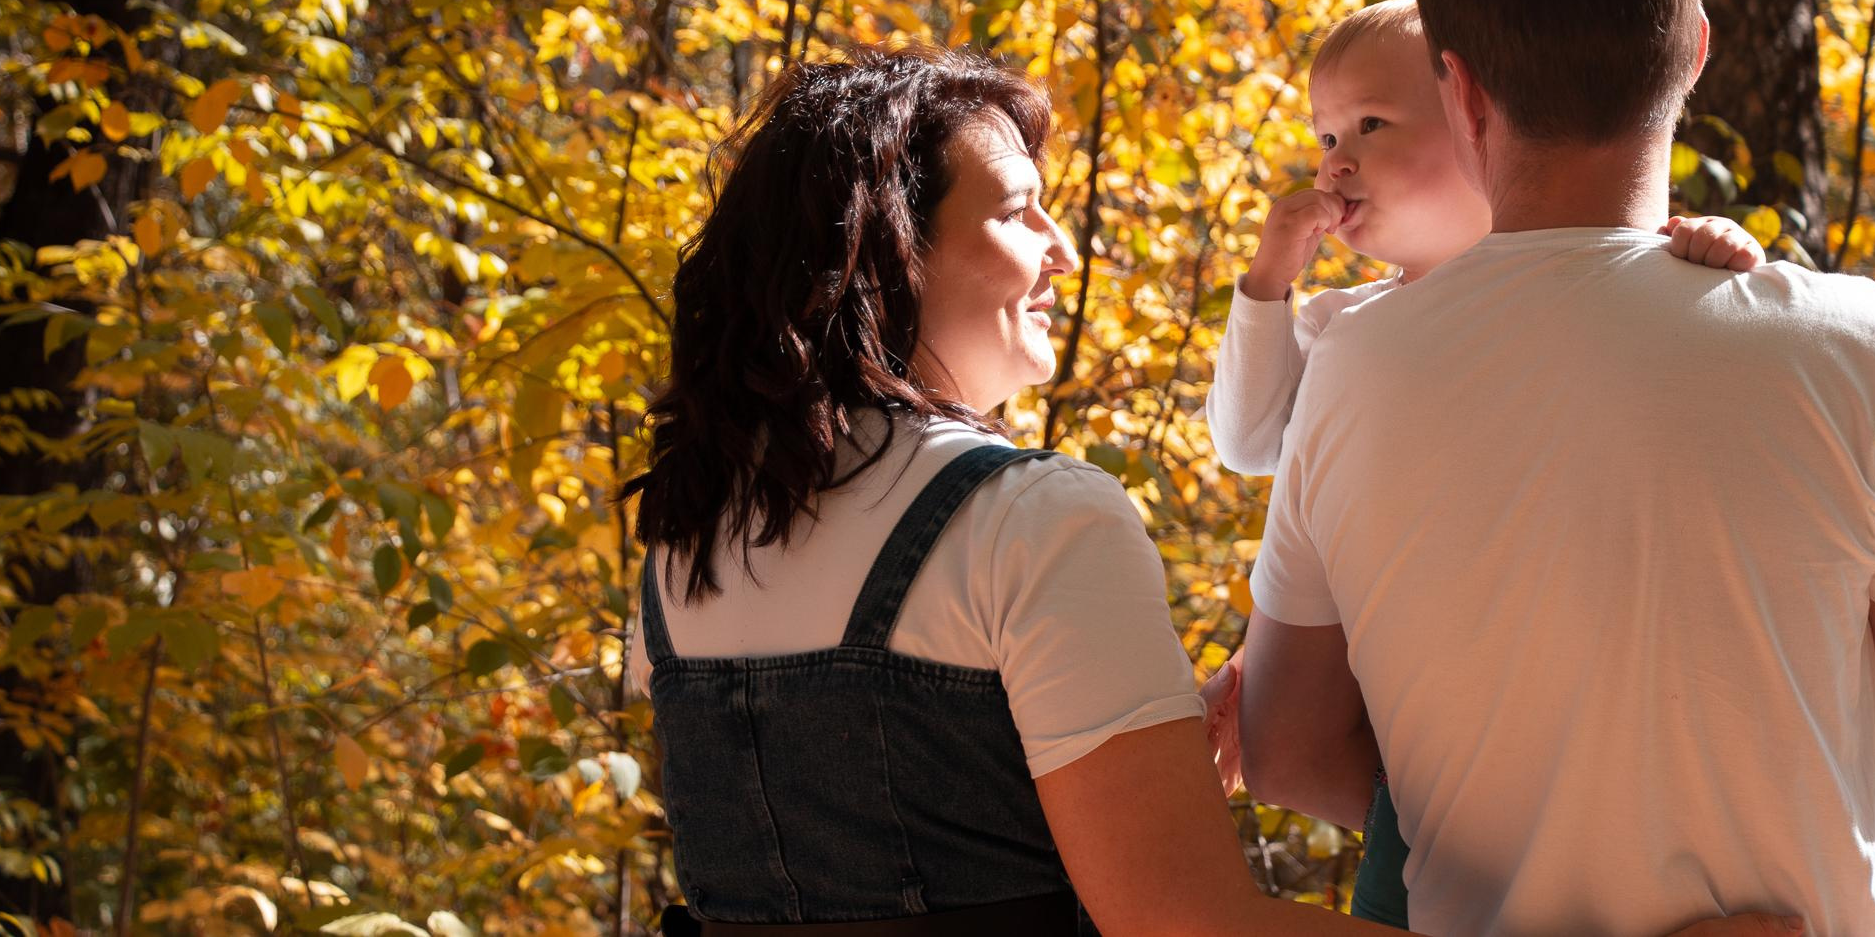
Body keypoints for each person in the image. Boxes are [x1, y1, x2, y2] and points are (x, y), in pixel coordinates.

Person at [622, 47, 1794, 937]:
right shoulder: (1030, 519)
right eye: (1018, 209)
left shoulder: (686, 545)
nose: (1061, 247)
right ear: (891, 251)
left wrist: (1151, 750)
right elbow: (1190, 925)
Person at [1224, 0, 1875, 936]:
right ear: (1691, 50)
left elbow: (1286, 750)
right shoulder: (1871, 349)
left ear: (1458, 87)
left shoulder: (1348, 372)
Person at [1201, 0, 1763, 928]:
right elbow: (1248, 439)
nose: (1335, 160)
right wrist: (1268, 282)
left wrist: (1707, 251)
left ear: (1476, 120)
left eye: (1371, 126)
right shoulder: (1347, 328)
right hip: (1418, 743)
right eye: (1325, 135)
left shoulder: (1599, 282)